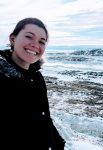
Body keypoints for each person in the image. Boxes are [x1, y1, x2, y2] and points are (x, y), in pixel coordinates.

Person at [0, 17, 65, 150]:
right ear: (13, 39)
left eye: (42, 41)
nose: (36, 45)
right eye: (29, 37)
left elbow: (44, 116)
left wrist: (58, 142)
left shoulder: (36, 77)